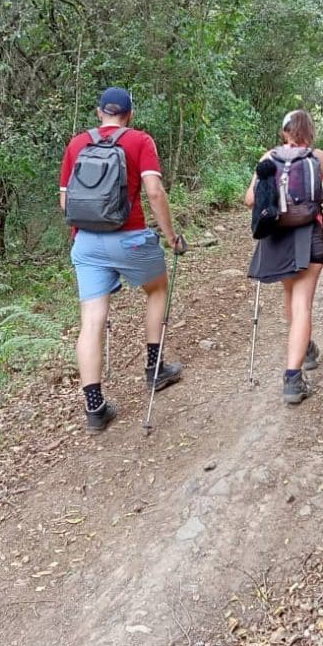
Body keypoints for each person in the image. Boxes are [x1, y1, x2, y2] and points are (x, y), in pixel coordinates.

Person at [59, 87, 186, 432]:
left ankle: (95, 409)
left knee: (91, 321)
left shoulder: (76, 144)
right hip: (129, 239)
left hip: (86, 243)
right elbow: (154, 192)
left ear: (99, 112)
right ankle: (155, 369)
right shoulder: (140, 141)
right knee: (157, 289)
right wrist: (171, 236)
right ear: (129, 114)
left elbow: (65, 203)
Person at [245, 109, 323, 403]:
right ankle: (293, 379)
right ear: (310, 132)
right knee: (302, 303)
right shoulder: (320, 158)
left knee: (291, 294)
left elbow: (250, 199)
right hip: (309, 236)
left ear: (285, 132)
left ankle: (304, 348)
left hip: (276, 237)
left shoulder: (269, 157)